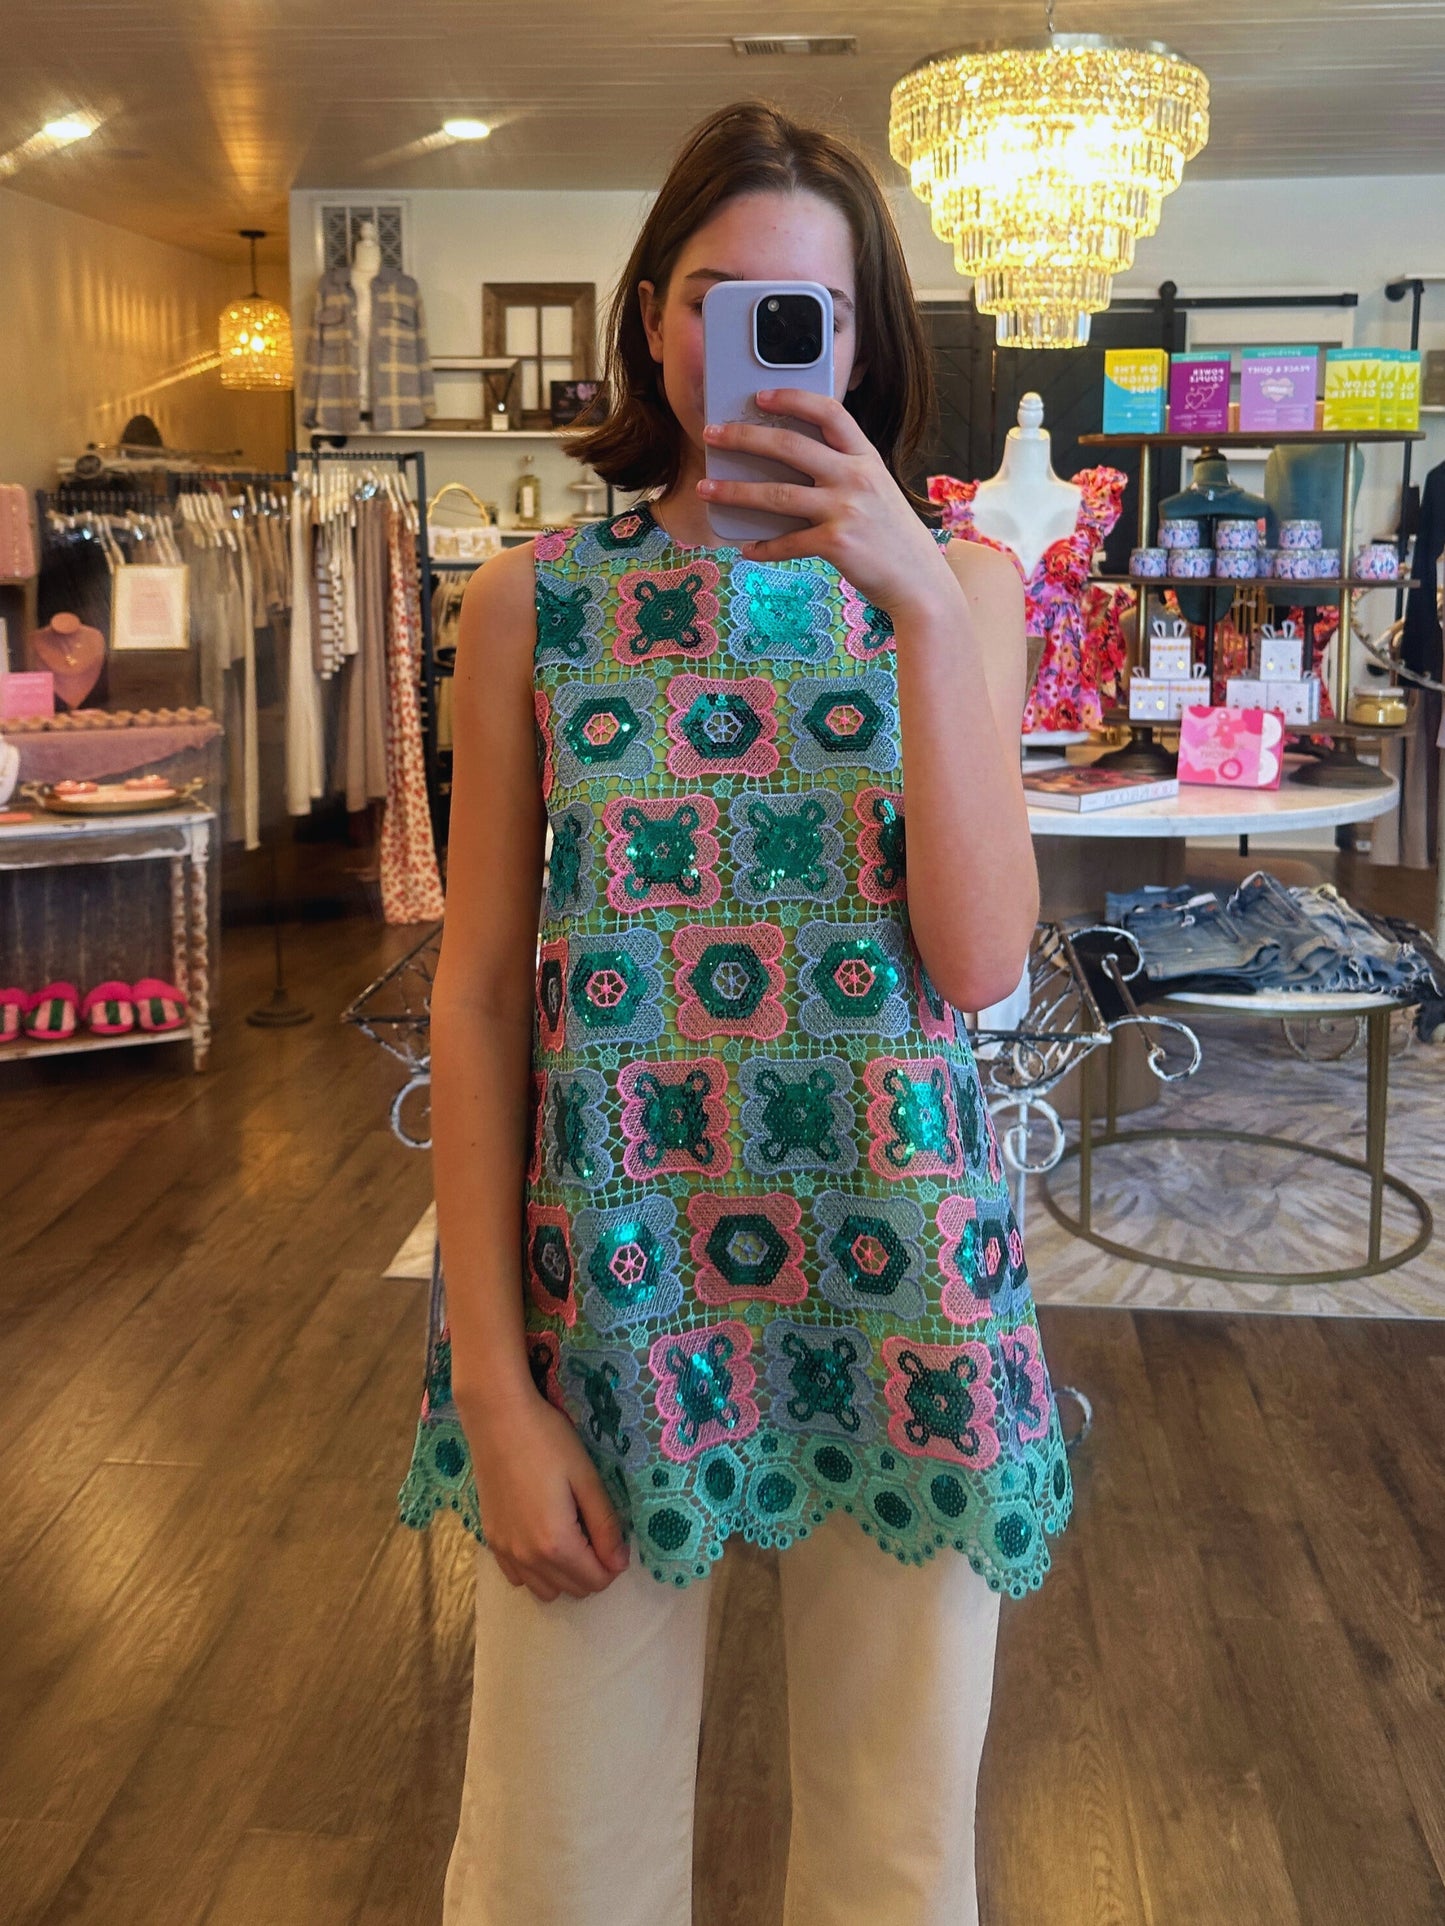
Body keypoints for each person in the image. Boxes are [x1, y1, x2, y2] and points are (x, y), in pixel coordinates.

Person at [399, 100, 1074, 1926]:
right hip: (610, 1294)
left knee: (895, 1861)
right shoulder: (535, 605)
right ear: (649, 317)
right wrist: (490, 1383)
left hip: (905, 1282)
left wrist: (917, 605)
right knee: (556, 1864)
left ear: (859, 341)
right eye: (715, 298)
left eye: (807, 312)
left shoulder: (963, 592)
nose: (758, 344)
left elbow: (979, 964)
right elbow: (479, 995)